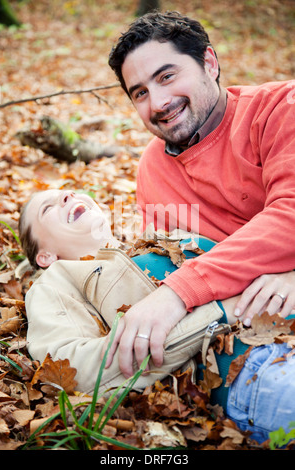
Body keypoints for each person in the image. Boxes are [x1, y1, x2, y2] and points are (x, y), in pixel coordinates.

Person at [106, 10, 295, 441]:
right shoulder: (152, 172)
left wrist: (180, 292)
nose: (158, 103)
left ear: (209, 62)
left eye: (167, 76)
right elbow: (169, 256)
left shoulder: (280, 109)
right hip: (251, 342)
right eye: (139, 92)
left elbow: (290, 213)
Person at [19, 189, 295, 443]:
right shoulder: (54, 283)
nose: (67, 196)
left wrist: (287, 274)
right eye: (47, 208)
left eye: (68, 192)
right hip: (254, 368)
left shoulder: (159, 239)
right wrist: (217, 312)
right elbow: (74, 369)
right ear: (44, 256)